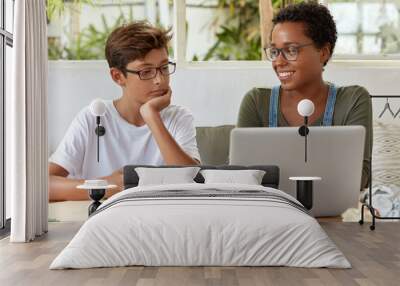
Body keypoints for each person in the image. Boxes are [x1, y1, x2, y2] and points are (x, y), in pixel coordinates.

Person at [49, 21, 201, 202]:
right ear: (118, 76)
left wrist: (152, 117)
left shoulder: (179, 117)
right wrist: (107, 187)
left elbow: (193, 183)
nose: (159, 80)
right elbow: (45, 185)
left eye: (164, 68)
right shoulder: (92, 117)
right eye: (146, 72)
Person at [237, 2, 372, 189]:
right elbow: (239, 176)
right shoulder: (256, 102)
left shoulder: (352, 100)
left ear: (323, 52)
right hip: (268, 213)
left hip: (330, 215)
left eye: (291, 50)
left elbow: (359, 178)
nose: (278, 61)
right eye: (275, 51)